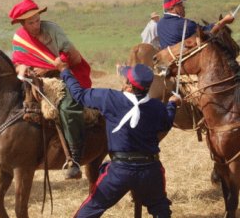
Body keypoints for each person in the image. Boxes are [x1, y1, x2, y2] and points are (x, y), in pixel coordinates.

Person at [54, 59, 181, 218]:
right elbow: (167, 123)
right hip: (151, 170)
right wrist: (172, 104)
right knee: (161, 210)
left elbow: (79, 95)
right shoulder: (157, 107)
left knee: (90, 210)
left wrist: (65, 70)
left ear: (129, 84)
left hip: (120, 171)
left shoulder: (110, 98)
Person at [9, 0, 92, 179]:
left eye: (37, 20)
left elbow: (70, 55)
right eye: (31, 22)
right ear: (23, 23)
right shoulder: (19, 38)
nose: (36, 24)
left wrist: (50, 68)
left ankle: (75, 157)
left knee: (68, 107)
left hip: (63, 73)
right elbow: (18, 61)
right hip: (35, 79)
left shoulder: (53, 29)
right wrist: (23, 69)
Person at [157, 0, 235, 49]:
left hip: (169, 63)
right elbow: (207, 31)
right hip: (184, 63)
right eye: (180, 5)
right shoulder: (184, 24)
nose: (183, 7)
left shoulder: (159, 24)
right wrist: (224, 21)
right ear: (171, 8)